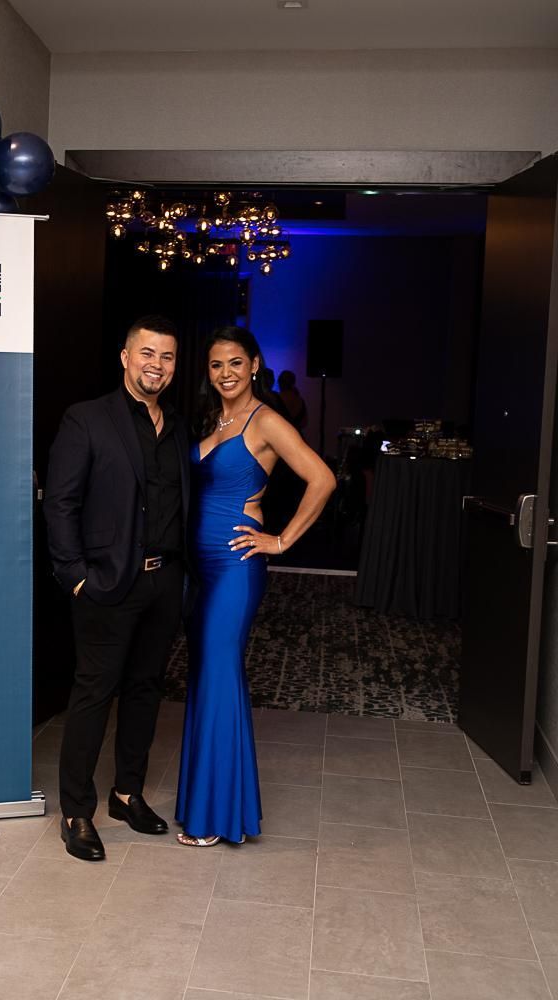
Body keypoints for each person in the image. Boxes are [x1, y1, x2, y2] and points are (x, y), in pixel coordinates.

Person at [176, 327, 335, 846]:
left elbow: (322, 478)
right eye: (217, 364)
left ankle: (217, 817)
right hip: (198, 567)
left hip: (236, 564)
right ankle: (204, 802)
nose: (226, 373)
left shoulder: (266, 420)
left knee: (220, 673)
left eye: (235, 363)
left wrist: (282, 540)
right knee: (204, 675)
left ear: (256, 365)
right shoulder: (213, 420)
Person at [43, 315, 189, 862]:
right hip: (106, 583)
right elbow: (61, 503)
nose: (157, 365)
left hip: (163, 581)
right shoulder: (87, 419)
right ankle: (77, 812)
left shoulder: (176, 427)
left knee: (146, 690)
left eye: (167, 357)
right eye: (147, 354)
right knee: (93, 695)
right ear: (126, 358)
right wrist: (75, 576)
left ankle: (127, 794)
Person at [278, 369, 308, 434]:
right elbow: (304, 423)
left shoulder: (277, 398)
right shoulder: (299, 399)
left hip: (281, 435)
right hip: (296, 435)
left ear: (280, 382)